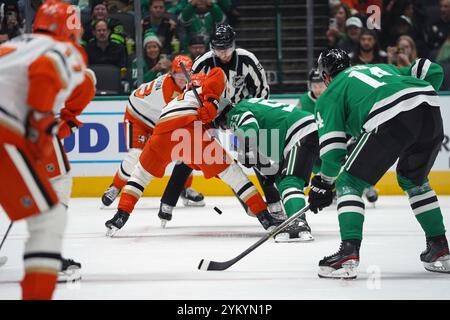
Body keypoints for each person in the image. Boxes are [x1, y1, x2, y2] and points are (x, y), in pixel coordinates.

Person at [308, 48, 450, 279]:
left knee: (349, 182)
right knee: (413, 179)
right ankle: (439, 248)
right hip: (430, 109)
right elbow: (430, 68)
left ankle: (348, 252)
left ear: (325, 76)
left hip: (390, 117)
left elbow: (333, 153)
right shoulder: (382, 68)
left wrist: (324, 184)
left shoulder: (330, 93)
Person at [104, 68, 284, 236]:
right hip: (189, 131)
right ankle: (265, 217)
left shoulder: (178, 98)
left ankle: (121, 216)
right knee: (233, 174)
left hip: (161, 133)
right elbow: (218, 72)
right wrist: (213, 102)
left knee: (139, 176)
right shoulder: (207, 89)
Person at [0, 0, 95, 299]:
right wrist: (41, 128)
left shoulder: (16, 44)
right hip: (6, 127)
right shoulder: (64, 50)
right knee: (49, 216)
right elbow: (47, 71)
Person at [157, 23, 283, 225]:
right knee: (190, 153)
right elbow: (191, 93)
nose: (223, 53)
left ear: (234, 44)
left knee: (255, 153)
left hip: (240, 114)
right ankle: (167, 204)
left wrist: (253, 114)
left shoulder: (248, 60)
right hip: (210, 114)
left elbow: (261, 90)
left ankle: (275, 203)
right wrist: (204, 114)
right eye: (218, 48)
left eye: (227, 48)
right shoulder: (203, 63)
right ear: (211, 47)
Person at [101, 54, 204, 209]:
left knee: (185, 151)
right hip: (138, 117)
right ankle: (115, 187)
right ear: (171, 73)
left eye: (186, 74)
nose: (183, 78)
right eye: (179, 74)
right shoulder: (168, 91)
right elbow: (178, 116)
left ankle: (185, 188)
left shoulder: (185, 85)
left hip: (157, 118)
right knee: (136, 154)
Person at [216, 97, 319, 242]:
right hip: (308, 129)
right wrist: (267, 171)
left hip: (301, 132)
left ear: (223, 116)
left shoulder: (235, 113)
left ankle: (298, 223)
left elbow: (249, 128)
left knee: (289, 181)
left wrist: (244, 149)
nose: (226, 129)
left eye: (222, 125)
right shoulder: (251, 104)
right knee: (323, 174)